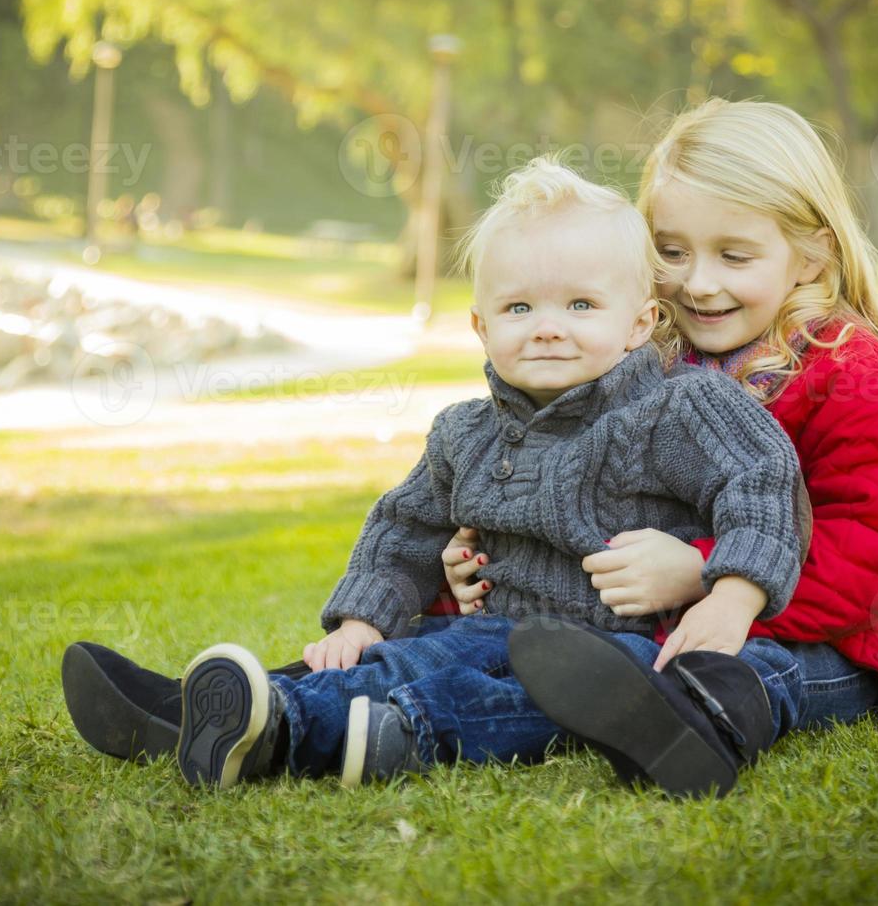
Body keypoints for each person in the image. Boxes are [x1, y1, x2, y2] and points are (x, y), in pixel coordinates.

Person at [64, 156, 811, 791]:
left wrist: (733, 598)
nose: (548, 325)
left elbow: (763, 480)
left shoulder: (682, 408)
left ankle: (295, 732)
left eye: (581, 304)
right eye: (520, 307)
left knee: (480, 692)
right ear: (482, 326)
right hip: (492, 630)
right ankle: (222, 710)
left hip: (624, 655)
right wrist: (360, 620)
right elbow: (404, 528)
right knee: (404, 655)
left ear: (640, 321)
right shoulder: (464, 433)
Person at [451, 98, 878, 797]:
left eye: (734, 254)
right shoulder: (648, 360)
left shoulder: (848, 376)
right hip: (674, 621)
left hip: (838, 640)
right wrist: (480, 570)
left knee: (755, 669)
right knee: (556, 649)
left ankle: (693, 729)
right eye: (671, 252)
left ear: (811, 254)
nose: (698, 281)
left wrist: (708, 578)